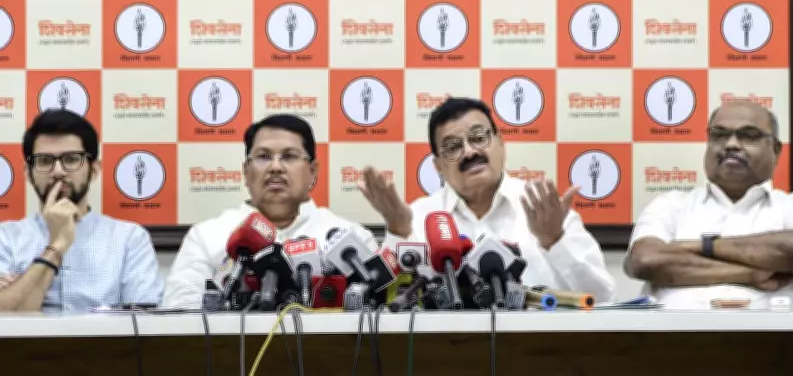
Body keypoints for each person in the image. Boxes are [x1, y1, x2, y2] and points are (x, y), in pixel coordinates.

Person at [359, 97, 615, 302]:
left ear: (501, 143)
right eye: (453, 147)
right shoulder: (417, 218)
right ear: (438, 166)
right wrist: (398, 230)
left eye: (479, 138)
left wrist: (554, 241)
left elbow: (601, 298)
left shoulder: (546, 213)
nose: (469, 152)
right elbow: (382, 303)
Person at [162, 114, 378, 308]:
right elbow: (180, 315)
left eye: (289, 156)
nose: (275, 167)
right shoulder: (206, 236)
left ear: (312, 172)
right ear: (246, 172)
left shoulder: (351, 237)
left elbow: (381, 309)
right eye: (263, 157)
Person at [625, 101, 793, 309]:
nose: (731, 144)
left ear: (776, 150)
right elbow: (645, 261)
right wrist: (750, 274)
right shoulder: (670, 205)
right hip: (676, 329)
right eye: (719, 135)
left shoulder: (792, 206)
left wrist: (702, 246)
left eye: (748, 135)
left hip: (775, 331)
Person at [0, 109, 163, 312]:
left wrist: (21, 287)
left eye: (71, 159)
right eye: (44, 161)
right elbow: (6, 319)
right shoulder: (6, 238)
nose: (58, 171)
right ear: (27, 172)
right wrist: (57, 246)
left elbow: (143, 323)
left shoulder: (130, 239)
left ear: (94, 170)